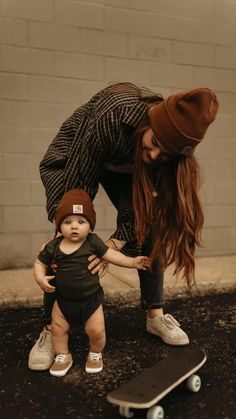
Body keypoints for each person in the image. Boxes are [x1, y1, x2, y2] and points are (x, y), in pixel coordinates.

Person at [28, 82, 219, 371]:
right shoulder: (115, 112)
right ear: (151, 123)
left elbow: (144, 211)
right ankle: (50, 328)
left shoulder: (160, 157)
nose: (156, 156)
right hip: (79, 153)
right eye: (155, 143)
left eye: (165, 154)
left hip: (128, 170)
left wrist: (113, 245)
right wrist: (66, 233)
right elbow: (80, 175)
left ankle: (155, 317)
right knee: (66, 242)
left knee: (150, 229)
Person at [34, 188, 149, 377]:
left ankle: (95, 353)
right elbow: (39, 262)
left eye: (81, 221)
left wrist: (131, 262)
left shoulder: (93, 242)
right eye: (67, 222)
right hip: (63, 302)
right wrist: (40, 277)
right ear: (59, 225)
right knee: (58, 330)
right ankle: (63, 355)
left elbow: (111, 255)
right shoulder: (53, 246)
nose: (74, 226)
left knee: (96, 331)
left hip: (90, 302)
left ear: (90, 225)